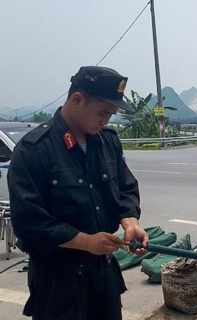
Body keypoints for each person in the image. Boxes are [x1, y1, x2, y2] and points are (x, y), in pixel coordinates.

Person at [8, 66, 149, 319]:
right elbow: (29, 221)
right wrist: (85, 242)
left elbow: (126, 187)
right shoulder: (34, 149)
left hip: (102, 274)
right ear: (77, 99)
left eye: (111, 115)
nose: (106, 120)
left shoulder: (108, 142)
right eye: (102, 113)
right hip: (58, 281)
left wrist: (130, 222)